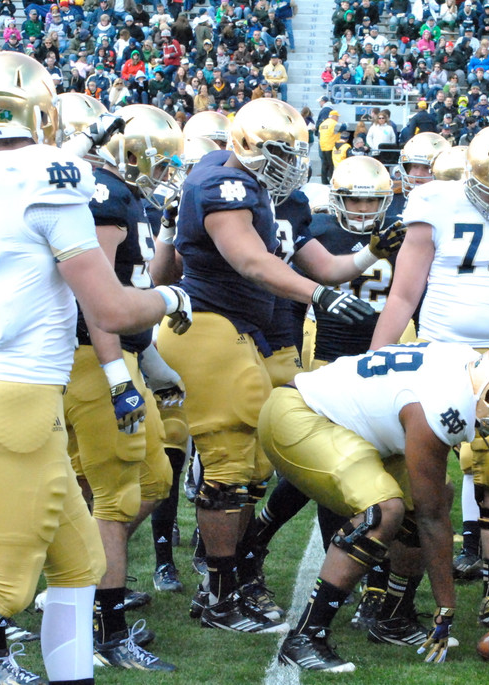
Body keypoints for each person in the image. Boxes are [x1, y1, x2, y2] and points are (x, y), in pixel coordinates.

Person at [0, 51, 192, 684]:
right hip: (18, 401)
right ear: (38, 113)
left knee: (77, 570)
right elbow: (108, 306)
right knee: (0, 581)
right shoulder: (51, 179)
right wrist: (172, 297)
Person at [157, 99, 382, 634]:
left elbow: (322, 263)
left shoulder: (268, 193)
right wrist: (317, 298)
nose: (291, 162)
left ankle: (233, 580)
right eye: (281, 151)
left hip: (244, 333)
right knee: (231, 469)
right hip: (211, 324)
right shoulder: (221, 183)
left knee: (254, 468)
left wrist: (374, 250)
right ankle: (217, 596)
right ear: (250, 146)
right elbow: (249, 260)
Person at [265, 343, 489, 671]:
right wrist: (446, 607)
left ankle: (394, 619)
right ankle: (306, 636)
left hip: (337, 420)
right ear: (486, 395)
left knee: (428, 498)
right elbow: (433, 519)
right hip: (299, 414)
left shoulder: (466, 362)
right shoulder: (444, 404)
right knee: (384, 510)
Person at [371, 125, 489, 629]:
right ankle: (394, 595)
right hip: (438, 352)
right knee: (422, 480)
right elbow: (403, 292)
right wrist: (378, 354)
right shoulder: (434, 200)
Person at [60, 99, 180, 671]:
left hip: (121, 355)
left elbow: (131, 287)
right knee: (115, 495)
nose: (157, 169)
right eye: (151, 157)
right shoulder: (103, 196)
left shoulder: (124, 194)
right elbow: (100, 298)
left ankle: (77, 582)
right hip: (92, 358)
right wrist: (116, 374)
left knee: (155, 478)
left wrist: (147, 355)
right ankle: (103, 628)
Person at [319, 110, 343, 184]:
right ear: (334, 116)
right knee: (331, 165)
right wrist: (343, 124)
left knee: (324, 164)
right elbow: (343, 127)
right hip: (331, 146)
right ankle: (331, 180)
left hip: (323, 146)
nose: (338, 118)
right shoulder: (334, 123)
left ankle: (324, 180)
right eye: (337, 117)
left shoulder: (322, 124)